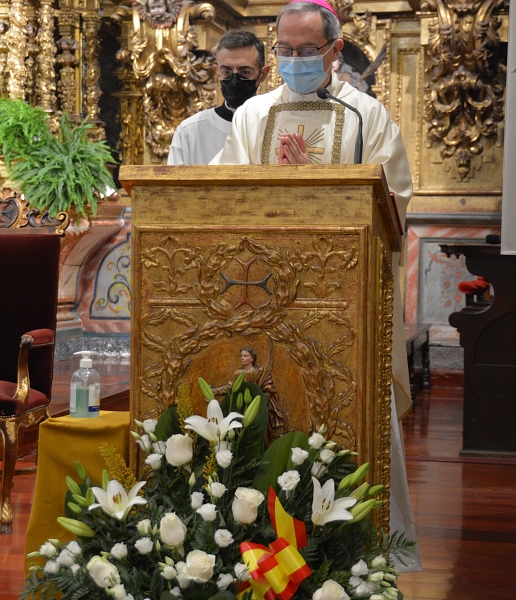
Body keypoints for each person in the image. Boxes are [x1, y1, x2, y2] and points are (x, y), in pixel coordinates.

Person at [211, 0, 420, 572]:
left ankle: (361, 551)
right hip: (266, 298)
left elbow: (393, 207)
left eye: (306, 51)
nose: (293, 61)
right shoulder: (255, 115)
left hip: (340, 305)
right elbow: (221, 201)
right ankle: (248, 543)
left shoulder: (364, 118)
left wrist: (317, 183)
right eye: (284, 50)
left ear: (334, 51)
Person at [167, 30, 270, 165]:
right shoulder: (189, 132)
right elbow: (173, 184)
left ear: (262, 74)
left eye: (245, 72)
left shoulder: (275, 124)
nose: (234, 80)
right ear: (217, 72)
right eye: (226, 71)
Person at [211, 346, 286, 444]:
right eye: (241, 356)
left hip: (258, 407)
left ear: (252, 358)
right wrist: (214, 391)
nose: (242, 358)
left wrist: (264, 399)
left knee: (260, 433)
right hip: (242, 407)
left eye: (245, 356)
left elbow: (268, 387)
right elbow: (229, 387)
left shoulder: (260, 372)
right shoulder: (238, 373)